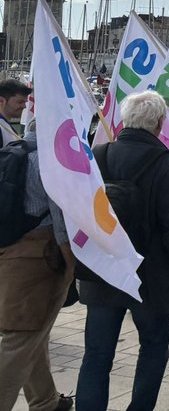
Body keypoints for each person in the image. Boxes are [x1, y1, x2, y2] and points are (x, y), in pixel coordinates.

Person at [76, 93, 169, 411]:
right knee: (154, 347)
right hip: (152, 275)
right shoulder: (165, 164)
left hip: (103, 271)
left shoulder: (97, 155)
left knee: (97, 355)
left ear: (126, 120)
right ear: (159, 123)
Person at [0, 120, 74, 411]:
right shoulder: (50, 161)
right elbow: (59, 220)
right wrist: (72, 265)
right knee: (20, 339)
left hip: (10, 252)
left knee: (33, 331)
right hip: (38, 258)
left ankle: (45, 401)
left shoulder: (11, 151)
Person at [0, 80, 31, 147]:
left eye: (25, 102)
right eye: (20, 102)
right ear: (1, 101)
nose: (24, 106)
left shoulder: (4, 125)